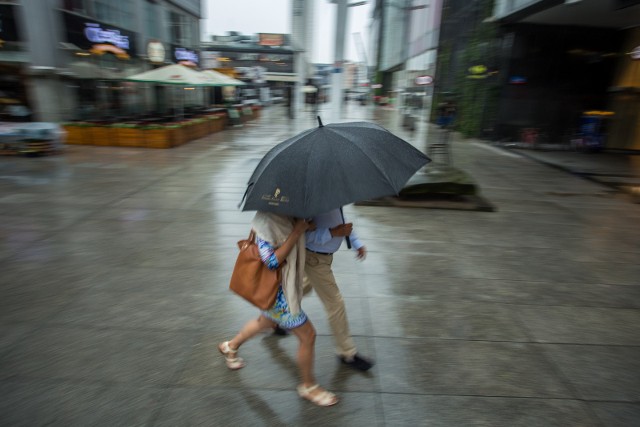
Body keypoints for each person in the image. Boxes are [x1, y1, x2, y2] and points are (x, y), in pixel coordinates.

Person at [218, 211, 338, 407]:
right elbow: (271, 261)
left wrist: (304, 227)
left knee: (264, 322)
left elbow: (288, 237)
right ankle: (308, 386)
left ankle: (230, 346)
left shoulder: (285, 214)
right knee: (308, 335)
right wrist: (297, 231)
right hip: (278, 295)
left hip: (278, 289)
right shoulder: (267, 221)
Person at [302, 207, 375, 371]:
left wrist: (356, 242)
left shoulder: (331, 196)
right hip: (315, 259)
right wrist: (332, 233)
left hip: (323, 258)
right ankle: (347, 353)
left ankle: (273, 314)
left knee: (303, 288)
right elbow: (301, 235)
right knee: (335, 304)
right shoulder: (311, 202)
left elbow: (341, 222)